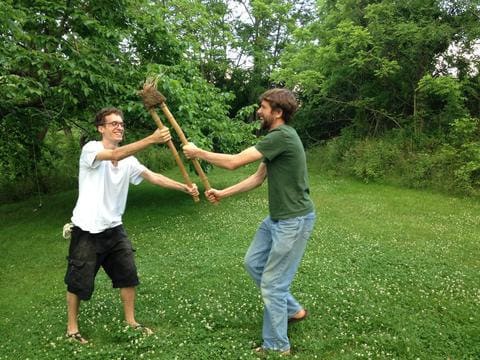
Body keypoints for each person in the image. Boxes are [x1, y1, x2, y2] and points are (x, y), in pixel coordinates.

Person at [183, 88, 315, 355]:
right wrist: (223, 193)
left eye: (263, 107)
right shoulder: (275, 139)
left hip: (293, 221)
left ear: (278, 113)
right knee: (253, 262)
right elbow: (257, 178)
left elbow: (233, 162)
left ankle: (277, 346)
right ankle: (293, 310)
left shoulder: (281, 136)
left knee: (272, 284)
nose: (259, 111)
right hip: (277, 218)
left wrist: (198, 153)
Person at [65, 107, 199, 344]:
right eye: (113, 123)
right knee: (78, 280)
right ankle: (72, 329)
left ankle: (131, 321)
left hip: (114, 228)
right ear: (101, 128)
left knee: (128, 275)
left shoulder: (129, 160)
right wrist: (152, 139)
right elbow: (114, 156)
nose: (119, 127)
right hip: (87, 228)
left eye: (121, 124)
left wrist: (184, 188)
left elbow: (153, 176)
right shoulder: (91, 150)